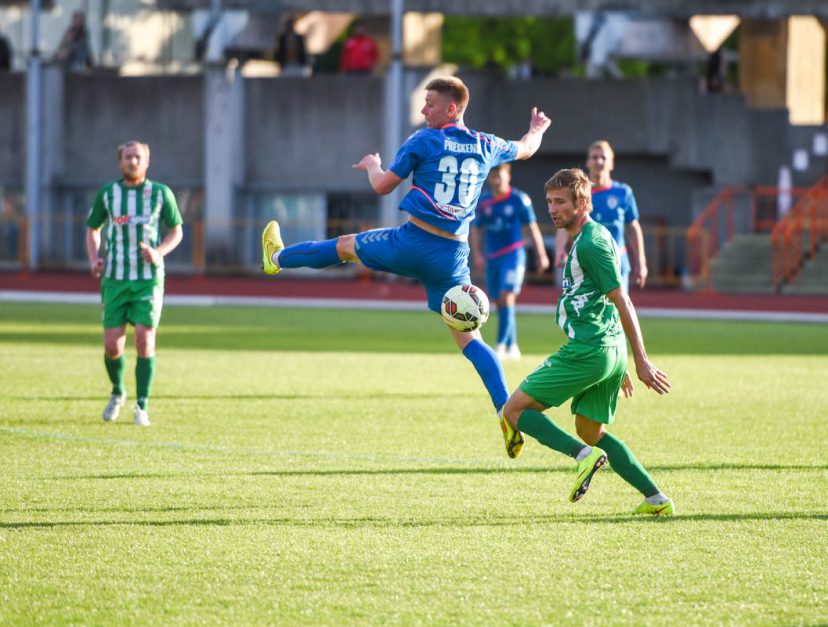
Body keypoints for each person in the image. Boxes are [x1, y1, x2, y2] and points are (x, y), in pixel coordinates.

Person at [260, 76, 551, 445]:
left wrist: (372, 165)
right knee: (470, 341)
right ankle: (504, 411)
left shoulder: (424, 140)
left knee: (345, 245)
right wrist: (536, 128)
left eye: (429, 103)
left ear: (451, 108)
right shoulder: (485, 144)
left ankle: (278, 257)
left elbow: (382, 186)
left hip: (412, 241)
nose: (423, 109)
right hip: (451, 258)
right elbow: (526, 148)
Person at [500, 168, 674, 515]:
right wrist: (619, 360)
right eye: (549, 202)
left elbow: (622, 299)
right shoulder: (591, 237)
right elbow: (604, 301)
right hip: (606, 350)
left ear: (583, 203)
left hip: (589, 350)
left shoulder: (591, 244)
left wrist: (640, 360)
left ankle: (582, 458)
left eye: (561, 202)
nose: (553, 209)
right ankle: (656, 500)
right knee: (589, 429)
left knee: (514, 410)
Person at [85, 141, 184, 426]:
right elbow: (93, 228)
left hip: (148, 281)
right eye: (127, 157)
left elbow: (176, 231)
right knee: (112, 346)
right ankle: (118, 392)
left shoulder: (160, 193)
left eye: (137, 157)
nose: (132, 161)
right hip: (115, 279)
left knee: (144, 339)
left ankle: (142, 406)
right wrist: (94, 258)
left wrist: (158, 252)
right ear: (120, 162)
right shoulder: (108, 194)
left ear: (147, 161)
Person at [470, 163, 550, 360]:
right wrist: (478, 254)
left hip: (513, 255)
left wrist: (541, 254)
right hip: (492, 257)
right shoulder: (485, 202)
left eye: (501, 174)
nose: (497, 178)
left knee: (507, 297)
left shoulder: (519, 199)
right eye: (494, 174)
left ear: (508, 176)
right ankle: (513, 344)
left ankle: (500, 345)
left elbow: (532, 228)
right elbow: (476, 229)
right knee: (499, 301)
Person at [554, 140, 647, 291]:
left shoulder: (623, 192)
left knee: (617, 311)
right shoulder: (577, 193)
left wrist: (641, 262)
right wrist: (559, 251)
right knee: (587, 311)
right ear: (587, 162)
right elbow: (565, 222)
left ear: (611, 164)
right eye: (594, 157)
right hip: (585, 261)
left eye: (603, 157)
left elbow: (633, 227)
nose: (598, 161)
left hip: (617, 259)